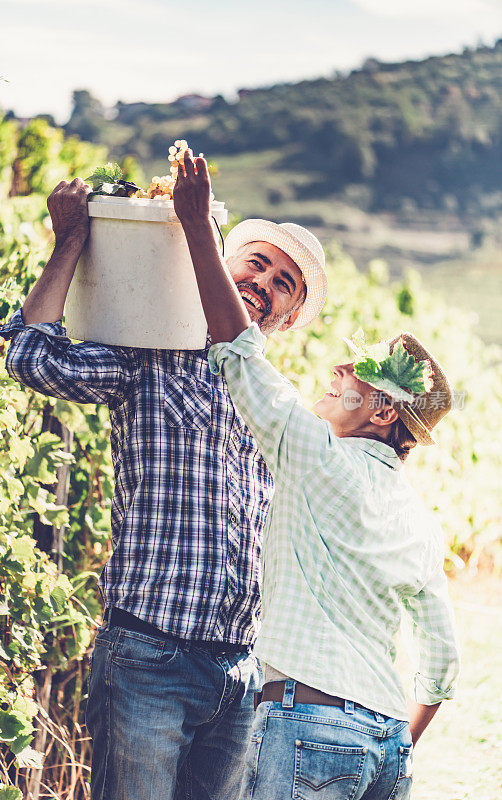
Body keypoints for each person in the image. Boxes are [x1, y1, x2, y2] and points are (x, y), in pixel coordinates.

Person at [0, 176, 327, 800]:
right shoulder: (148, 354)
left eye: (284, 283)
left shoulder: (274, 403)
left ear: (286, 318)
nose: (263, 283)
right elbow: (29, 355)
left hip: (238, 668)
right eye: (256, 265)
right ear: (219, 266)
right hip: (149, 656)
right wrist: (70, 240)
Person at [173, 152, 460, 800]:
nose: (334, 373)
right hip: (387, 746)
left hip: (305, 728)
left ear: (383, 411)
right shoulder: (418, 520)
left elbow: (241, 358)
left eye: (353, 373)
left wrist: (197, 230)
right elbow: (442, 666)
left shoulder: (320, 462)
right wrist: (388, 747)